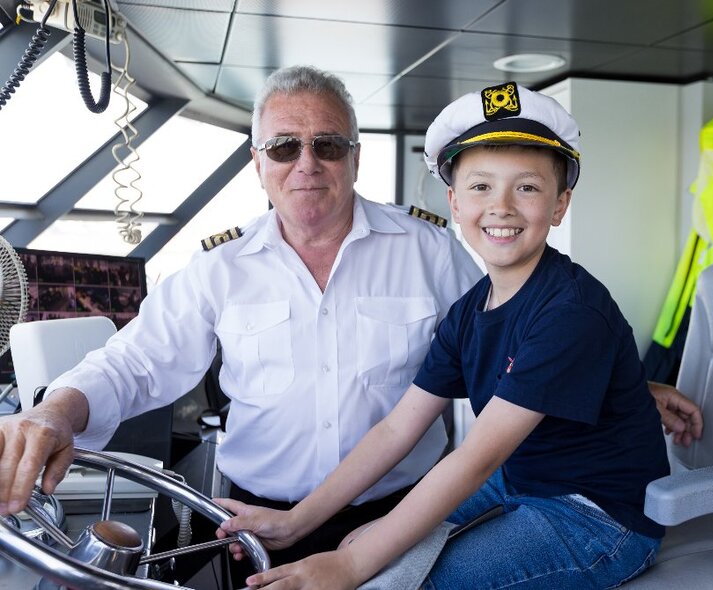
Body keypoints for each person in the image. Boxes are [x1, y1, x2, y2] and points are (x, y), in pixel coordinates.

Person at [0, 65, 700, 569]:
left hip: (400, 505)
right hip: (261, 516)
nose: (307, 163)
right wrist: (57, 411)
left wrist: (617, 389)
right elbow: (136, 362)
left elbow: (530, 342)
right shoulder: (218, 269)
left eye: (328, 145)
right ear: (258, 163)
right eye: (284, 146)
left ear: (355, 158)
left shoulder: (433, 253)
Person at [216, 81, 672, 590]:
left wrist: (349, 569)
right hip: (519, 483)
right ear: (455, 203)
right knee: (358, 544)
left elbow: (478, 456)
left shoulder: (570, 312)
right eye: (480, 187)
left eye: (527, 187)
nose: (501, 207)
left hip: (594, 518)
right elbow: (396, 429)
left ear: (560, 204)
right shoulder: (470, 310)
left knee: (393, 579)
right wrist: (299, 521)